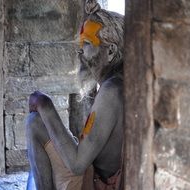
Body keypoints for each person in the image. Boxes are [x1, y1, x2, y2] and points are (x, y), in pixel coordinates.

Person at [26, 1, 124, 189]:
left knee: (34, 122)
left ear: (110, 51)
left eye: (87, 43)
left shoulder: (111, 91)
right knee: (37, 122)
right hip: (92, 174)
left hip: (93, 182)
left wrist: (45, 105)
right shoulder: (118, 84)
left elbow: (77, 164)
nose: (80, 51)